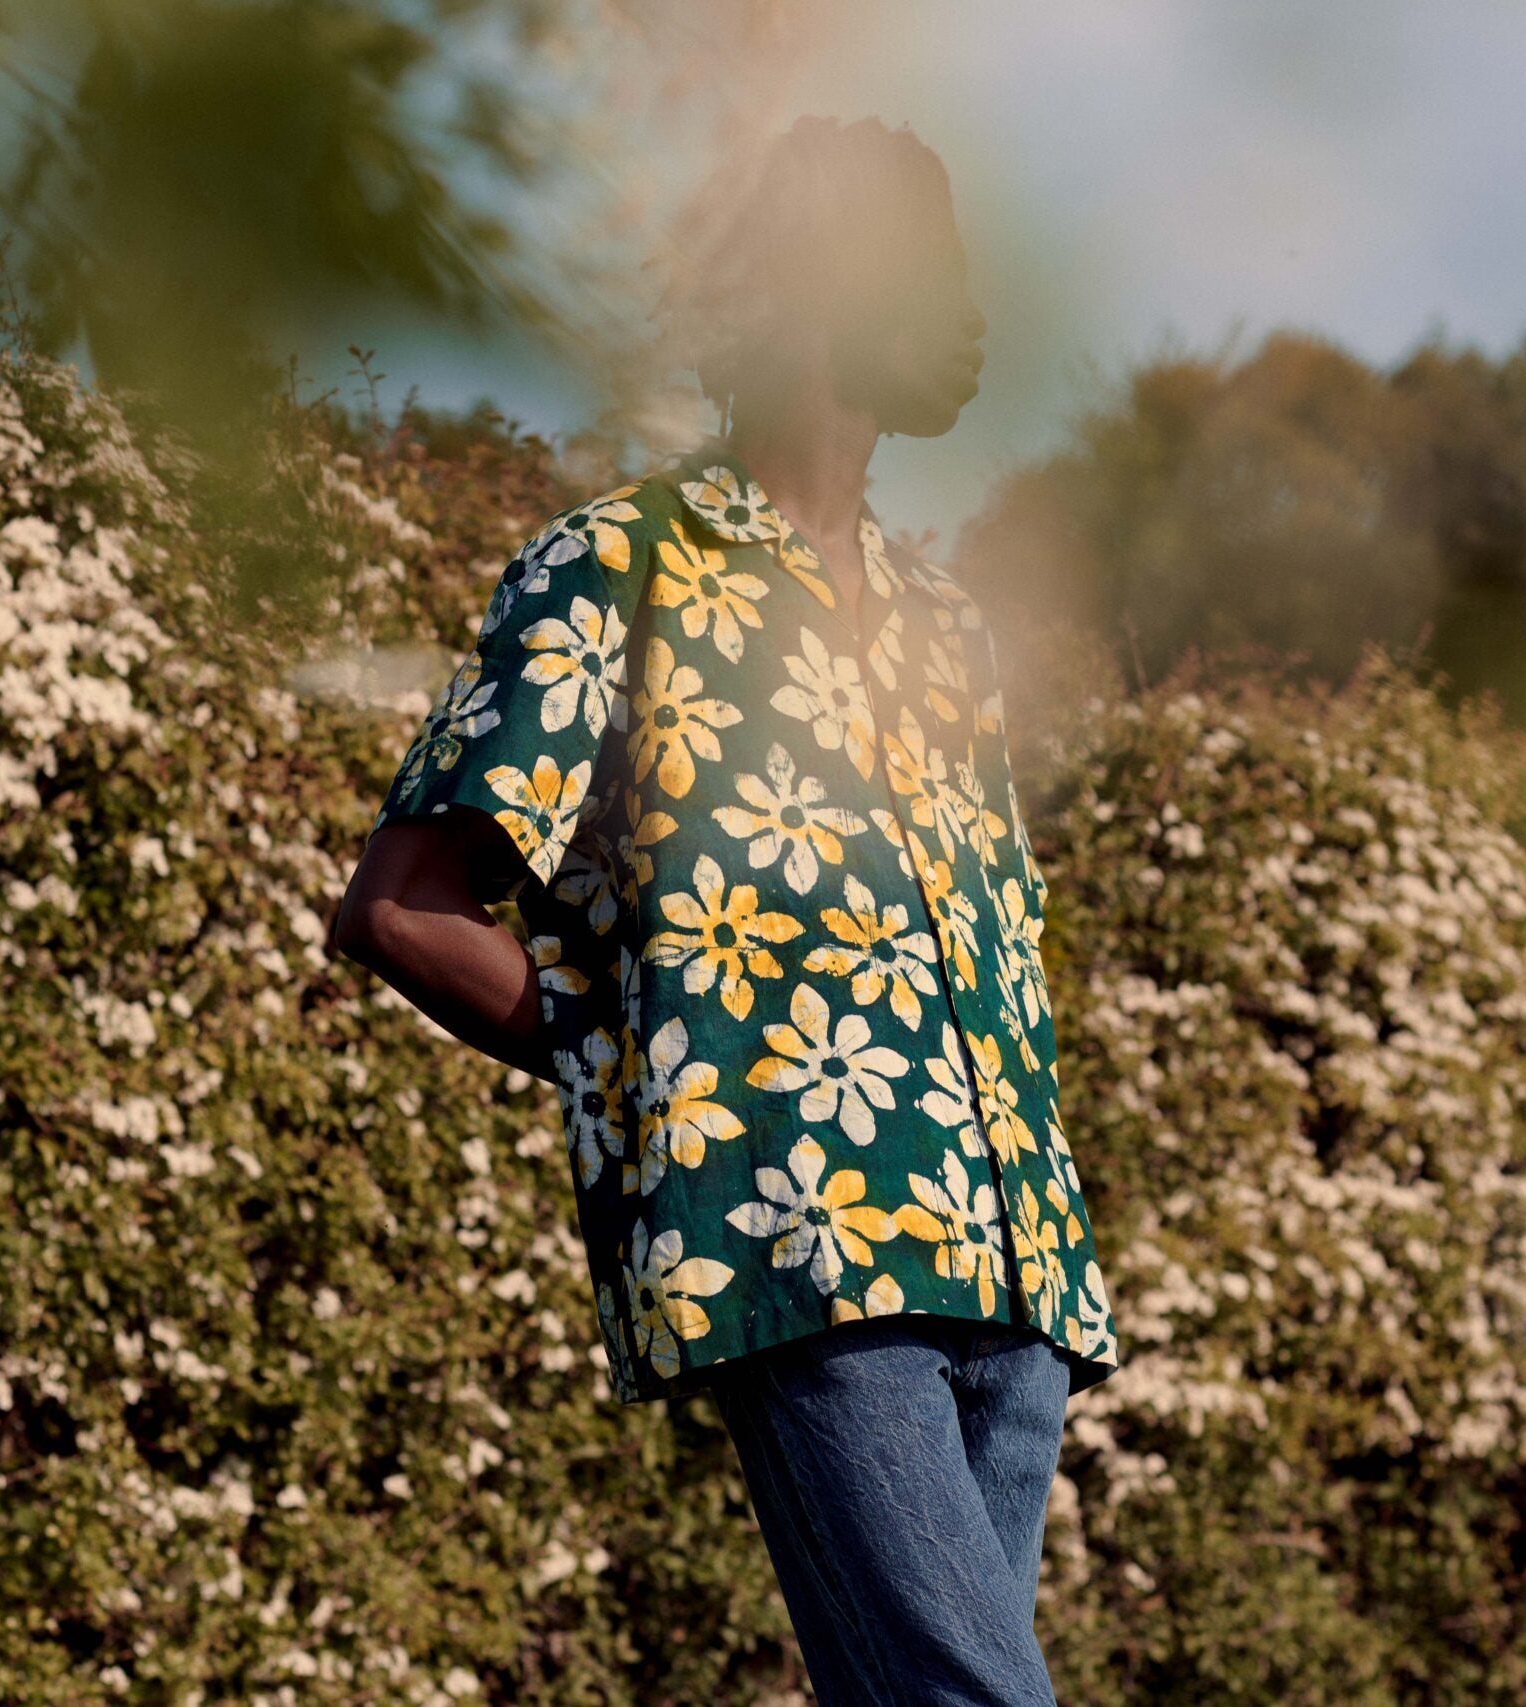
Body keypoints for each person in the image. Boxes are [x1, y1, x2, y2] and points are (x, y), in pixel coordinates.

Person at [333, 114, 1120, 1707]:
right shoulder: (616, 570)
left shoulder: (945, 623)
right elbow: (405, 907)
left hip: (1017, 1275)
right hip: (812, 1245)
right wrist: (652, 1079)